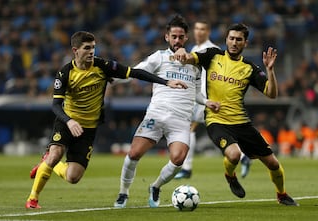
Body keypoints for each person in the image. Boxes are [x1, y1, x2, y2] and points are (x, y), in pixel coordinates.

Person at [25, 31, 187, 209]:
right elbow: (55, 105)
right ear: (75, 50)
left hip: (88, 128)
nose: (91, 51)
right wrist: (70, 121)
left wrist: (165, 82)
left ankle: (47, 161)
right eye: (87, 48)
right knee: (56, 154)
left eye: (93, 47)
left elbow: (135, 73)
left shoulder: (103, 66)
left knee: (73, 177)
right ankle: (33, 199)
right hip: (67, 122)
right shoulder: (65, 73)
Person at [174, 23, 299, 206]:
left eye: (238, 39)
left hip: (241, 123)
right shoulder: (212, 55)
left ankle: (282, 195)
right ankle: (230, 175)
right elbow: (189, 58)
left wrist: (270, 70)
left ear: (245, 43)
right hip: (216, 120)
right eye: (231, 38)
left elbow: (272, 94)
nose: (234, 42)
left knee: (273, 164)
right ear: (226, 40)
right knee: (234, 155)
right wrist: (182, 51)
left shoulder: (249, 68)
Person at [113, 15, 219, 209]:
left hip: (180, 119)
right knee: (134, 153)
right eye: (174, 36)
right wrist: (113, 79)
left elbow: (196, 93)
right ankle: (123, 193)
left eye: (181, 36)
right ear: (167, 37)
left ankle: (155, 186)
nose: (177, 40)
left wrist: (207, 101)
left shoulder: (195, 64)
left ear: (186, 38)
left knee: (178, 159)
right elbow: (136, 71)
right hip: (157, 114)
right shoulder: (159, 57)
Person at [174, 20, 252, 180]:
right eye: (196, 28)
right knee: (201, 129)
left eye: (202, 29)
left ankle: (187, 168)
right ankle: (243, 156)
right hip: (200, 97)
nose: (199, 32)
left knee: (195, 128)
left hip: (209, 97)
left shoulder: (214, 50)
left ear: (208, 31)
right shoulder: (195, 49)